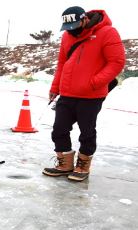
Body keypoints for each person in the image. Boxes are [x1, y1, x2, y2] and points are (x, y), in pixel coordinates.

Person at [42, 6, 125, 181]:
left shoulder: (107, 32)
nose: (72, 31)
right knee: (59, 130)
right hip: (67, 93)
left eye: (75, 26)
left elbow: (116, 62)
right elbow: (62, 64)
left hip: (91, 95)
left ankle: (83, 166)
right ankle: (65, 164)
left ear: (85, 19)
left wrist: (94, 83)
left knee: (87, 132)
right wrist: (54, 88)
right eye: (68, 28)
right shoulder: (67, 36)